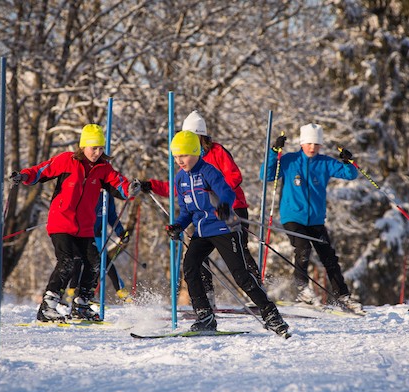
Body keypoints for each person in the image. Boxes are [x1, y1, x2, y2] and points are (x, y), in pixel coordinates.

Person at [10, 124, 141, 322]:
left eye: (100, 148)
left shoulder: (103, 169)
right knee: (67, 262)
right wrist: (24, 176)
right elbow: (41, 171)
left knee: (94, 263)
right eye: (93, 148)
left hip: (85, 227)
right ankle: (48, 306)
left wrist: (129, 188)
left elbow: (118, 183)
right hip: (61, 222)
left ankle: (82, 305)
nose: (97, 153)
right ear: (83, 146)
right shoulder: (67, 161)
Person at [165, 130, 289, 336]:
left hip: (223, 228)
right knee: (190, 267)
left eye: (184, 155)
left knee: (241, 275)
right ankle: (205, 316)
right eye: (176, 156)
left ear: (195, 152)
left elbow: (227, 192)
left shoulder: (208, 171)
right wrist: (177, 225)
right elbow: (186, 211)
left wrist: (223, 205)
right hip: (202, 231)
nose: (180, 160)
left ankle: (271, 315)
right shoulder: (180, 179)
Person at [143, 110, 261, 309]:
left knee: (240, 254)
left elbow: (234, 177)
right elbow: (177, 188)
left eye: (193, 137)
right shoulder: (185, 162)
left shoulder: (216, 152)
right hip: (203, 215)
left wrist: (215, 194)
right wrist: (152, 185)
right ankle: (207, 298)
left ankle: (257, 291)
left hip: (230, 208)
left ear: (202, 136)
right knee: (198, 257)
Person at [261, 123, 362, 313]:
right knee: (303, 248)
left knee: (329, 257)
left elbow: (350, 175)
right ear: (302, 143)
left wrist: (349, 161)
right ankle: (302, 289)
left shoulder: (324, 163)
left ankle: (342, 296)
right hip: (293, 216)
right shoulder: (290, 160)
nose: (312, 147)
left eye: (316, 144)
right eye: (309, 143)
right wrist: (274, 152)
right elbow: (265, 175)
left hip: (315, 219)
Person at [66, 191, 132, 305]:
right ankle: (71, 293)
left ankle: (116, 291)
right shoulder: (85, 190)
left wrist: (121, 232)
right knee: (77, 261)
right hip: (80, 234)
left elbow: (112, 216)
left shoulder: (107, 196)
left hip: (97, 235)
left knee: (102, 261)